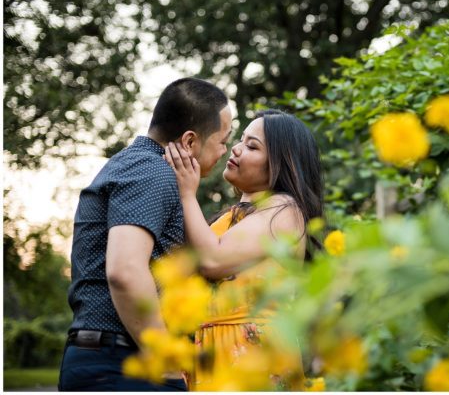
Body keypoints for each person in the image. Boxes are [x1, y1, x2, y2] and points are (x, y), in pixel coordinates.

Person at [59, 78, 232, 392]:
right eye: (223, 140)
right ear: (190, 141)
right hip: (122, 365)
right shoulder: (152, 171)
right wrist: (164, 360)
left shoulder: (135, 165)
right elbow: (125, 271)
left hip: (111, 359)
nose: (225, 150)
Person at [163, 109, 321, 390]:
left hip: (254, 357)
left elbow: (212, 260)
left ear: (282, 164)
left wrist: (187, 192)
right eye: (241, 140)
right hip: (211, 354)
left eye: (252, 146)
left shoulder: (284, 209)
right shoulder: (230, 218)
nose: (235, 149)